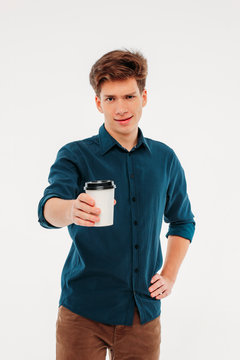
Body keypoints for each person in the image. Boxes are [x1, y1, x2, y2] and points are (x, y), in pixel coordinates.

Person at [38, 48, 196, 360]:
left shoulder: (165, 158)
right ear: (98, 102)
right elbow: (48, 209)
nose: (120, 108)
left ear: (144, 97)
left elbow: (182, 221)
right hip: (82, 312)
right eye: (110, 98)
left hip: (143, 314)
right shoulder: (75, 154)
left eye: (128, 96)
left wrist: (170, 274)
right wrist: (70, 209)